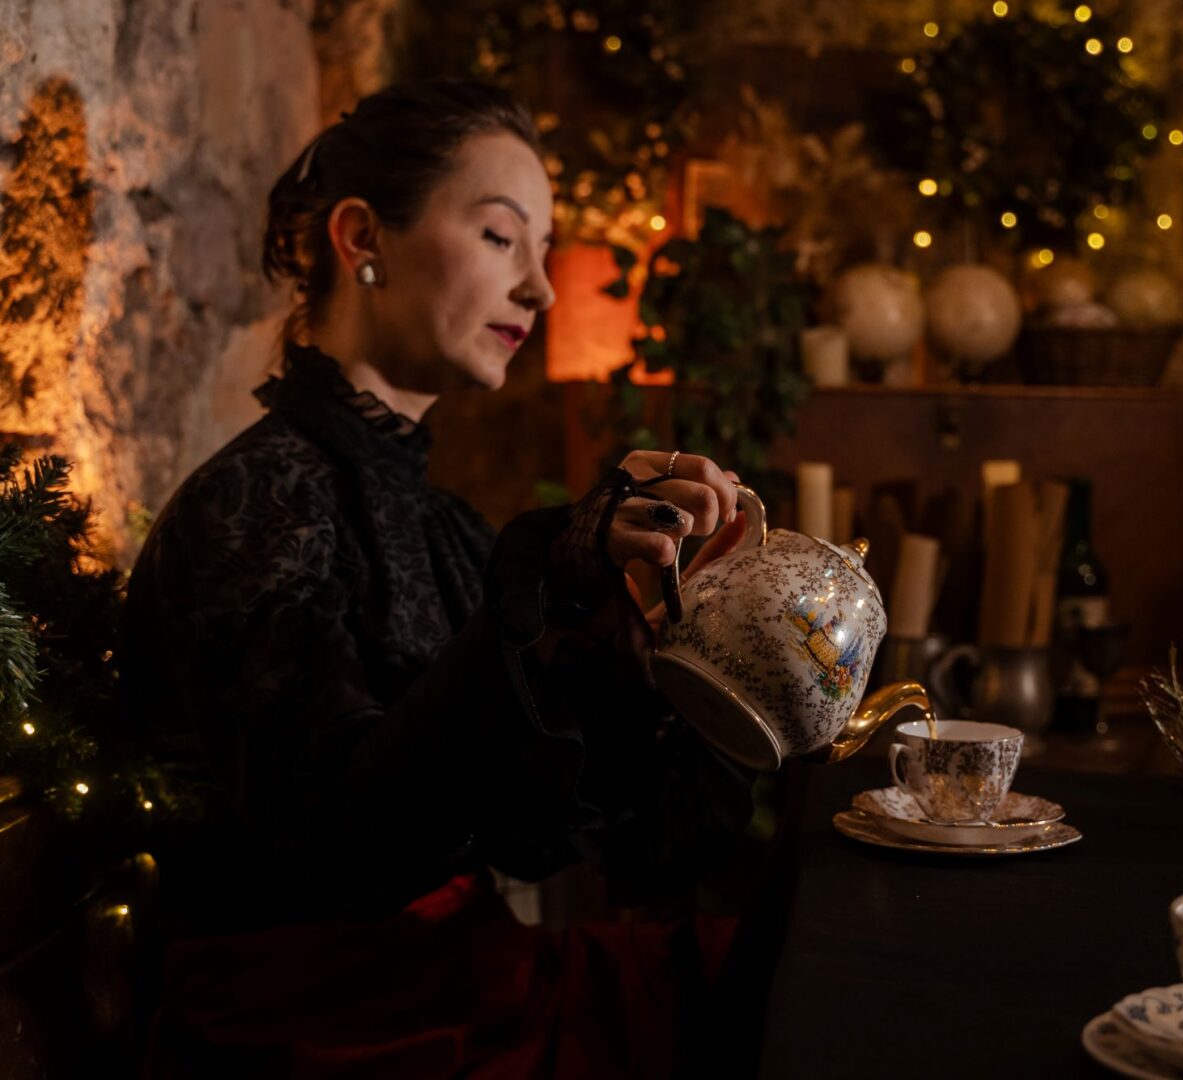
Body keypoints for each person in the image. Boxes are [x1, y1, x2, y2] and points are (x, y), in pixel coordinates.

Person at [123, 79, 755, 1078]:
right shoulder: (255, 503)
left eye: (542, 250)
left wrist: (651, 643)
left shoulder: (448, 526)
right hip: (317, 1030)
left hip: (463, 988)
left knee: (804, 982)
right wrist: (548, 575)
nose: (542, 289)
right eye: (503, 238)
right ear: (362, 237)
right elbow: (337, 842)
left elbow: (543, 837)